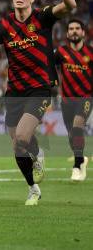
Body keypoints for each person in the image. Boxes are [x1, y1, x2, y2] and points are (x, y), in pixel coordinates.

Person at [0, 0, 76, 205]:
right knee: (17, 145)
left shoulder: (42, 17)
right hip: (14, 91)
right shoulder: (4, 24)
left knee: (22, 137)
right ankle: (33, 188)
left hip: (40, 88)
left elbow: (71, 5)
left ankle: (38, 155)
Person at [54, 19, 91, 181]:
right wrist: (52, 83)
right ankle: (82, 159)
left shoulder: (91, 53)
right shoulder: (61, 52)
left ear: (83, 32)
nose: (74, 31)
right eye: (71, 29)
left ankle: (76, 167)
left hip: (85, 98)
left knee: (77, 127)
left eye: (77, 28)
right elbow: (49, 69)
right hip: (67, 100)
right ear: (67, 33)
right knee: (72, 135)